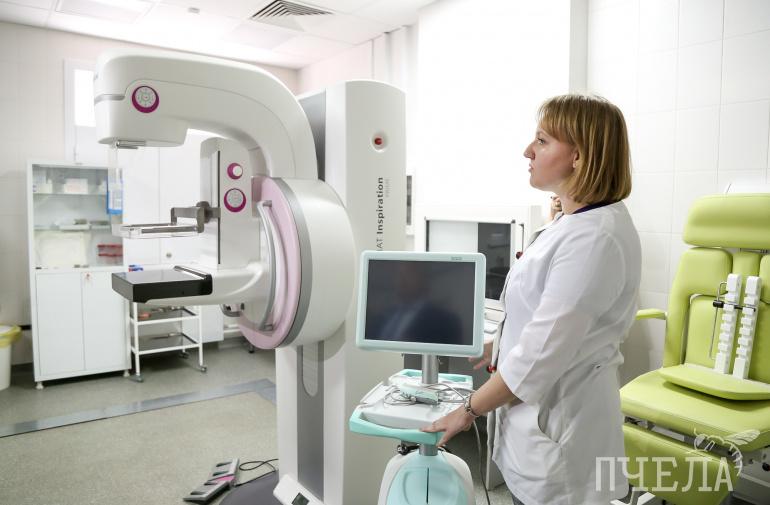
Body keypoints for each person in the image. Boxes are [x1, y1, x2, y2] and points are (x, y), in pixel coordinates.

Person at [421, 94, 641, 505]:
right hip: (537, 429)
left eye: (541, 141)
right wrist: (498, 343)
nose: (528, 151)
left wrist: (467, 411)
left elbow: (540, 356)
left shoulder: (594, 239)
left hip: (562, 440)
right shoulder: (573, 223)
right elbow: (545, 318)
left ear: (578, 156)